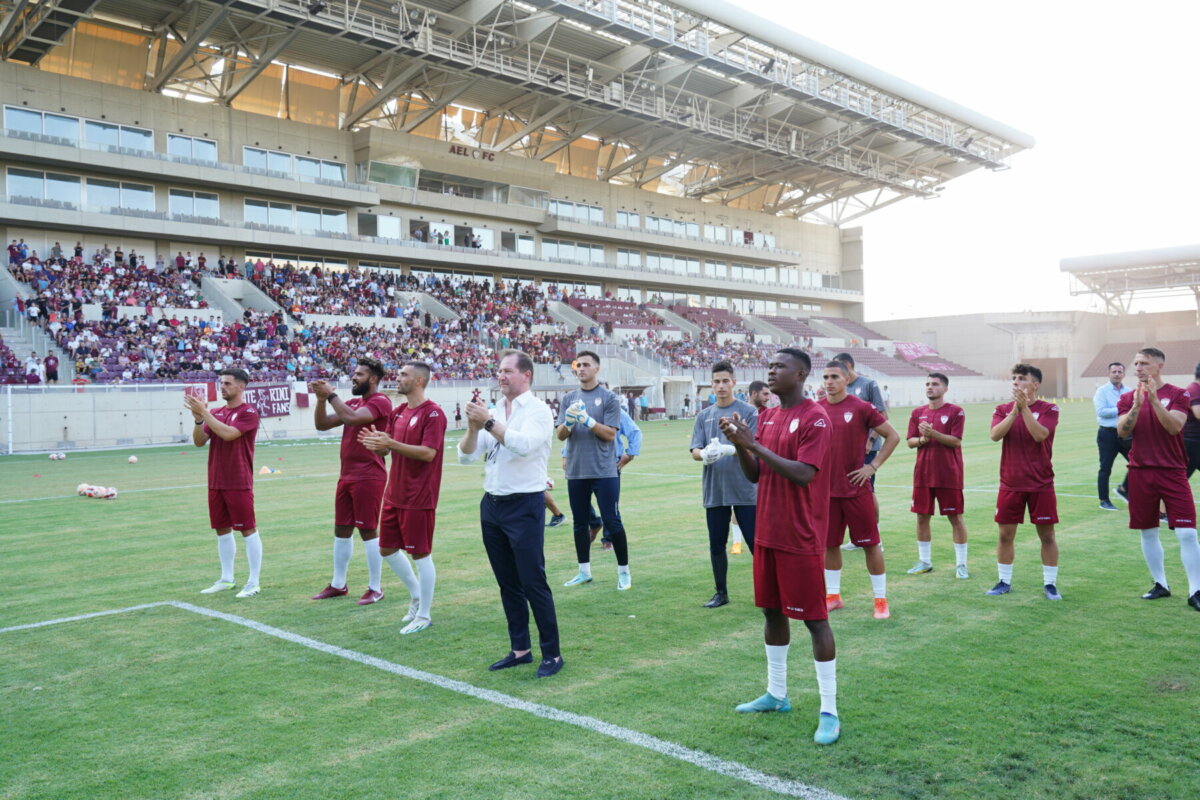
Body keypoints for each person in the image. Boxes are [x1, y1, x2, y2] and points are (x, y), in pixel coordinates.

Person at [719, 348, 840, 746]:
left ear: (801, 373)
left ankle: (829, 710)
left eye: (779, 367)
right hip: (767, 533)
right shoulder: (767, 415)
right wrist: (740, 443)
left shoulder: (815, 417)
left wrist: (754, 445)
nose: (771, 372)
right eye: (768, 366)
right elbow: (756, 474)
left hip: (800, 536)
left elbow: (804, 475)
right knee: (772, 614)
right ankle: (776, 694)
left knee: (815, 620)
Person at [458, 350, 562, 677]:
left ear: (526, 375)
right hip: (493, 504)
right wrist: (475, 428)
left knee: (533, 581)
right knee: (507, 583)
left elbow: (522, 445)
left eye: (507, 371)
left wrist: (488, 422)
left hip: (525, 504)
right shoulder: (494, 411)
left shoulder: (539, 411)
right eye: (499, 371)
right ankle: (520, 649)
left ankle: (553, 655)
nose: (500, 376)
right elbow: (466, 458)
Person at [358, 362, 446, 634]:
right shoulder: (398, 413)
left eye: (404, 375)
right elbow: (388, 449)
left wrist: (391, 444)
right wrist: (377, 445)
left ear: (419, 380)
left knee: (420, 554)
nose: (398, 378)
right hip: (394, 492)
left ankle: (424, 614)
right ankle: (417, 595)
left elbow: (428, 453)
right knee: (386, 548)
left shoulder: (433, 413)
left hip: (419, 495)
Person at [1116, 348, 1200, 611]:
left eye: (1144, 363)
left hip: (1173, 471)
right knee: (1148, 531)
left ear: (1159, 365)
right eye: (1136, 363)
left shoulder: (1179, 394)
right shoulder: (1129, 397)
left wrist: (1152, 401)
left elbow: (1175, 427)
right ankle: (1160, 584)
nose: (1138, 368)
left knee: (1187, 533)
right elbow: (1122, 431)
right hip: (1140, 472)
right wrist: (1137, 406)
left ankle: (1195, 590)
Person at [818, 361, 900, 619]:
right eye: (825, 377)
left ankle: (880, 600)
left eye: (834, 377)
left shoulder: (861, 407)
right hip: (826, 493)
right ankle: (833, 597)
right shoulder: (816, 409)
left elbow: (893, 436)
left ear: (847, 379)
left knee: (870, 544)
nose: (829, 381)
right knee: (830, 545)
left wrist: (872, 466)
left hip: (856, 489)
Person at [307, 358, 393, 605]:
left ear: (373, 379)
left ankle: (375, 587)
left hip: (369, 475)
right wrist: (322, 400)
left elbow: (354, 418)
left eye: (359, 374)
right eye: (354, 373)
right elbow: (322, 424)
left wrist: (331, 394)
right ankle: (338, 584)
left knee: (367, 529)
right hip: (347, 475)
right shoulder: (354, 402)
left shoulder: (381, 401)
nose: (354, 378)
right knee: (341, 529)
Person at [184, 368, 263, 598]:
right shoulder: (216, 412)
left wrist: (205, 414)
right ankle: (227, 579)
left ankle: (253, 582)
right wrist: (199, 419)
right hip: (216, 480)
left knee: (247, 530)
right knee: (222, 530)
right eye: (221, 383)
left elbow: (229, 434)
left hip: (238, 480)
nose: (223, 387)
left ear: (241, 386)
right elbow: (199, 442)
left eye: (228, 383)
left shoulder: (249, 412)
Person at [557, 351, 631, 590]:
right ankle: (584, 571)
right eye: (579, 365)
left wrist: (586, 420)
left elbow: (611, 434)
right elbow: (560, 435)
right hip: (577, 471)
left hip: (604, 471)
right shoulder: (568, 398)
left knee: (612, 521)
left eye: (586, 365)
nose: (581, 369)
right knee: (580, 523)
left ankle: (624, 572)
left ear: (597, 369)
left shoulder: (609, 398)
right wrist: (569, 422)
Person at [988, 364, 1061, 599]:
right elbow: (995, 435)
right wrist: (1014, 411)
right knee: (1004, 535)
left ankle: (1050, 584)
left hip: (1041, 483)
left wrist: (1024, 409)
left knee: (1047, 536)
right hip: (1010, 483)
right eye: (1014, 379)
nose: (1016, 382)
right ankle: (1003, 581)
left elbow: (1040, 435)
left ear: (1035, 385)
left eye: (1022, 379)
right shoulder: (1002, 409)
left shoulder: (1050, 409)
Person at [689, 360, 758, 608]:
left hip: (744, 489)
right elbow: (694, 449)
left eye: (725, 381)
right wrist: (704, 454)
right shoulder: (704, 416)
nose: (720, 386)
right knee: (717, 543)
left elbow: (756, 447)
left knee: (755, 543)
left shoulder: (748, 412)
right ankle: (721, 593)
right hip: (715, 489)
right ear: (711, 384)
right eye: (716, 382)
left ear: (733, 383)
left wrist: (730, 449)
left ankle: (767, 591)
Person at [905, 373, 971, 578]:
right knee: (922, 517)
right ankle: (925, 561)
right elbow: (910, 441)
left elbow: (956, 441)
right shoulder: (917, 413)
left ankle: (961, 564)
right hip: (923, 474)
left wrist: (933, 434)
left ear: (945, 389)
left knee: (955, 518)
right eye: (927, 384)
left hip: (948, 474)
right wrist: (923, 439)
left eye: (935, 384)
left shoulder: (956, 412)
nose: (930, 387)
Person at [1094, 361, 1132, 510]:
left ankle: (1124, 489)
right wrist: (1122, 408)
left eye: (1119, 372)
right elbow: (1101, 411)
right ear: (1109, 374)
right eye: (1114, 372)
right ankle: (1104, 500)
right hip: (1107, 434)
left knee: (1137, 463)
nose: (1117, 374)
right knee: (1105, 468)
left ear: (1123, 374)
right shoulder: (1102, 391)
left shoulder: (1129, 391)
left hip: (1126, 434)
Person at [1183, 362, 1200, 479]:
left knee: (1181, 478)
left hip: (1195, 441)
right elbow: (1198, 414)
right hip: (1191, 441)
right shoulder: (1194, 389)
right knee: (1181, 478)